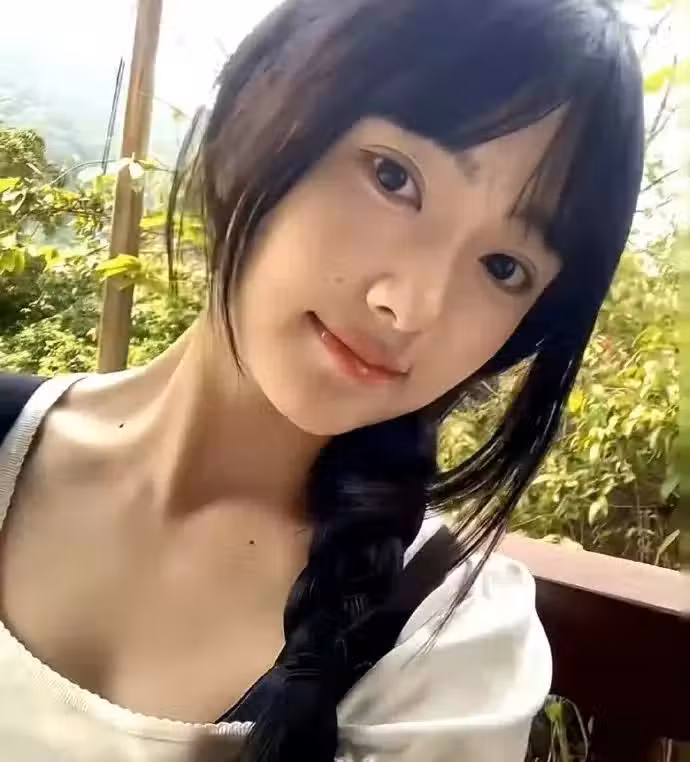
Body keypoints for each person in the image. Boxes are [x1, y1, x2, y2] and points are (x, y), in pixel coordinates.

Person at [0, 0, 645, 760]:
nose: (411, 307)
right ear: (260, 117)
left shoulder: (448, 647)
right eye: (394, 177)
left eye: (504, 267)